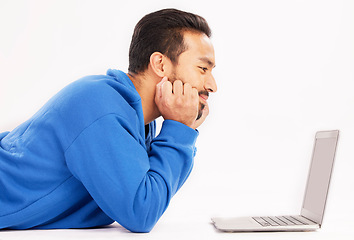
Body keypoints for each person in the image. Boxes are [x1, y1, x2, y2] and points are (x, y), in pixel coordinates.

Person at [0, 8, 217, 233]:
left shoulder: (138, 119)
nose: (212, 86)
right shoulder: (101, 106)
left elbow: (152, 193)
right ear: (161, 65)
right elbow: (141, 212)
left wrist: (183, 128)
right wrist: (180, 129)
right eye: (202, 69)